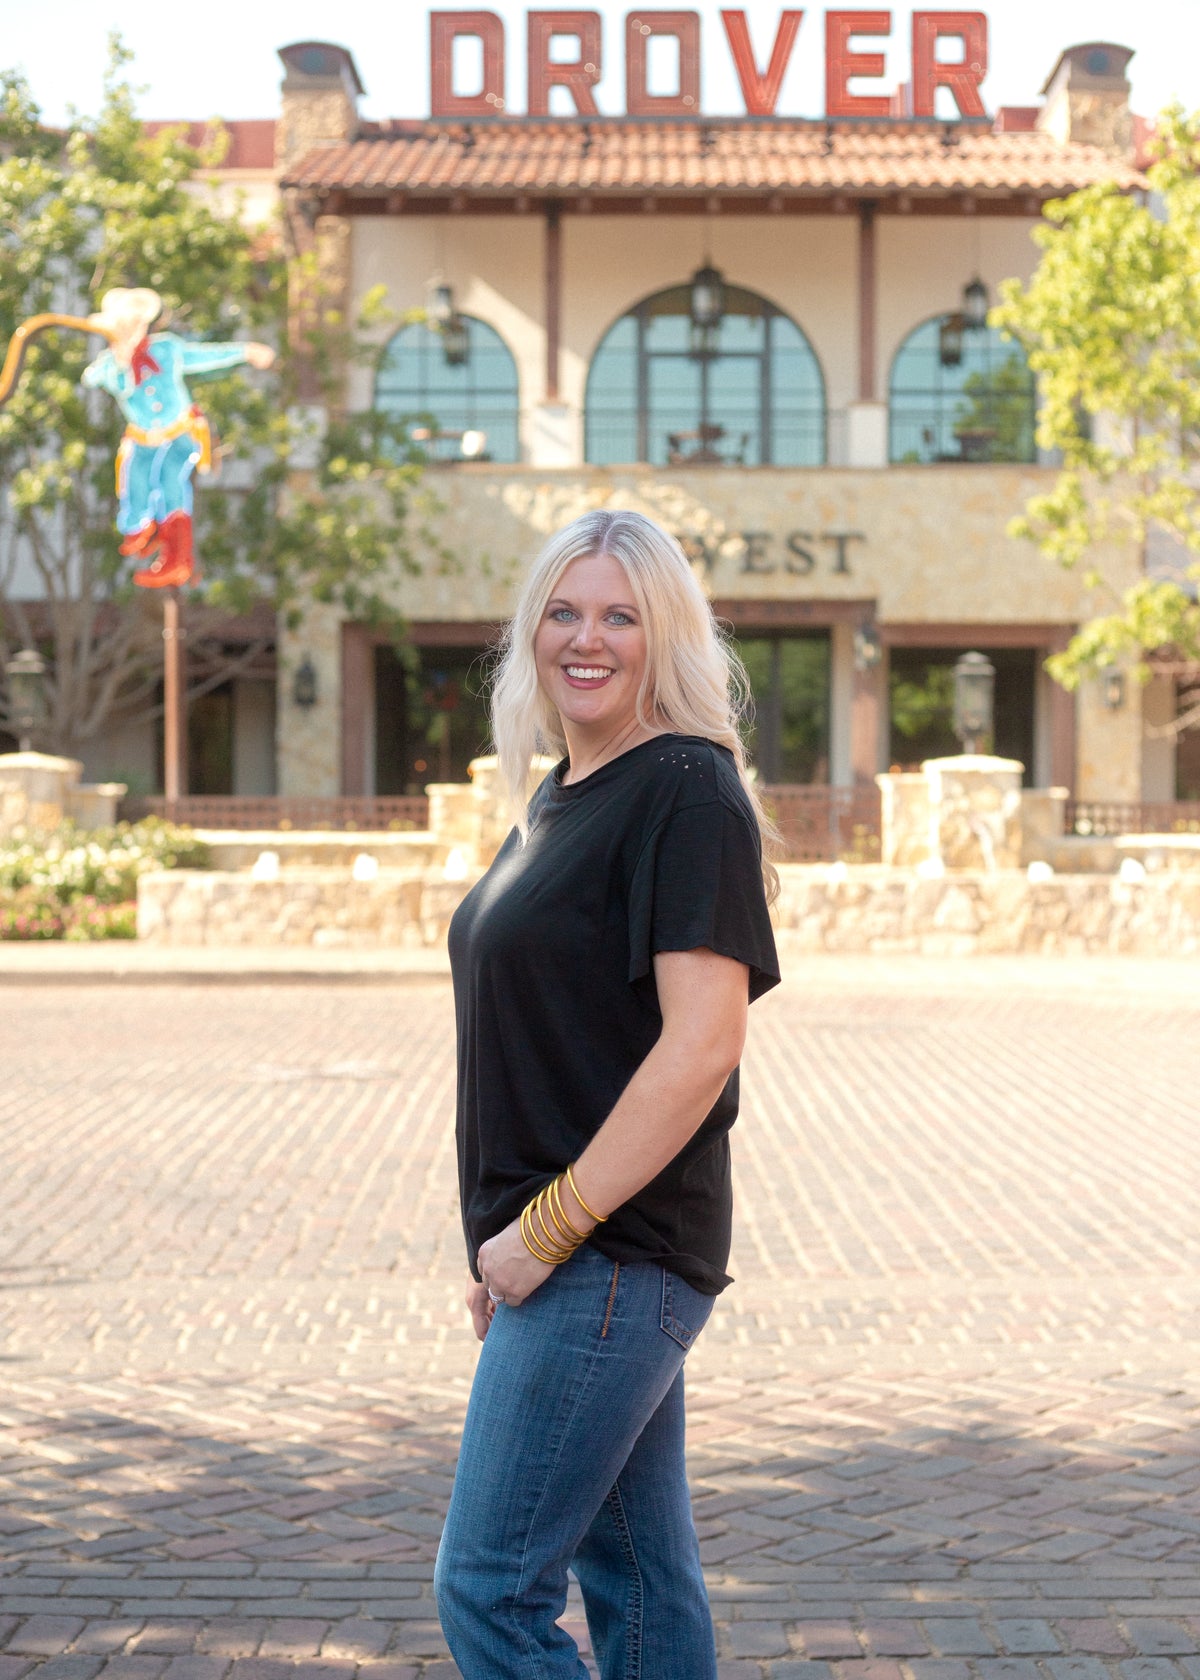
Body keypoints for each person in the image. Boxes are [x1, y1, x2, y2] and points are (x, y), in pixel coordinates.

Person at [436, 508, 781, 1678]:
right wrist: (502, 1243)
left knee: (487, 1591)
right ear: (532, 630)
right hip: (565, 1259)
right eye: (565, 612)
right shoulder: (558, 795)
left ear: (665, 636)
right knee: (636, 1580)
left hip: (609, 1254)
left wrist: (542, 1232)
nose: (588, 639)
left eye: (621, 616)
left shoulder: (685, 789)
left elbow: (703, 1043)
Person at [81, 288, 274, 588]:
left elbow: (205, 355)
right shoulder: (109, 365)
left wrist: (245, 351)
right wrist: (120, 359)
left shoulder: (167, 350)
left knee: (171, 477)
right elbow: (99, 380)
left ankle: (177, 556)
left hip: (180, 431)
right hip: (144, 437)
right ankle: (141, 530)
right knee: (137, 478)